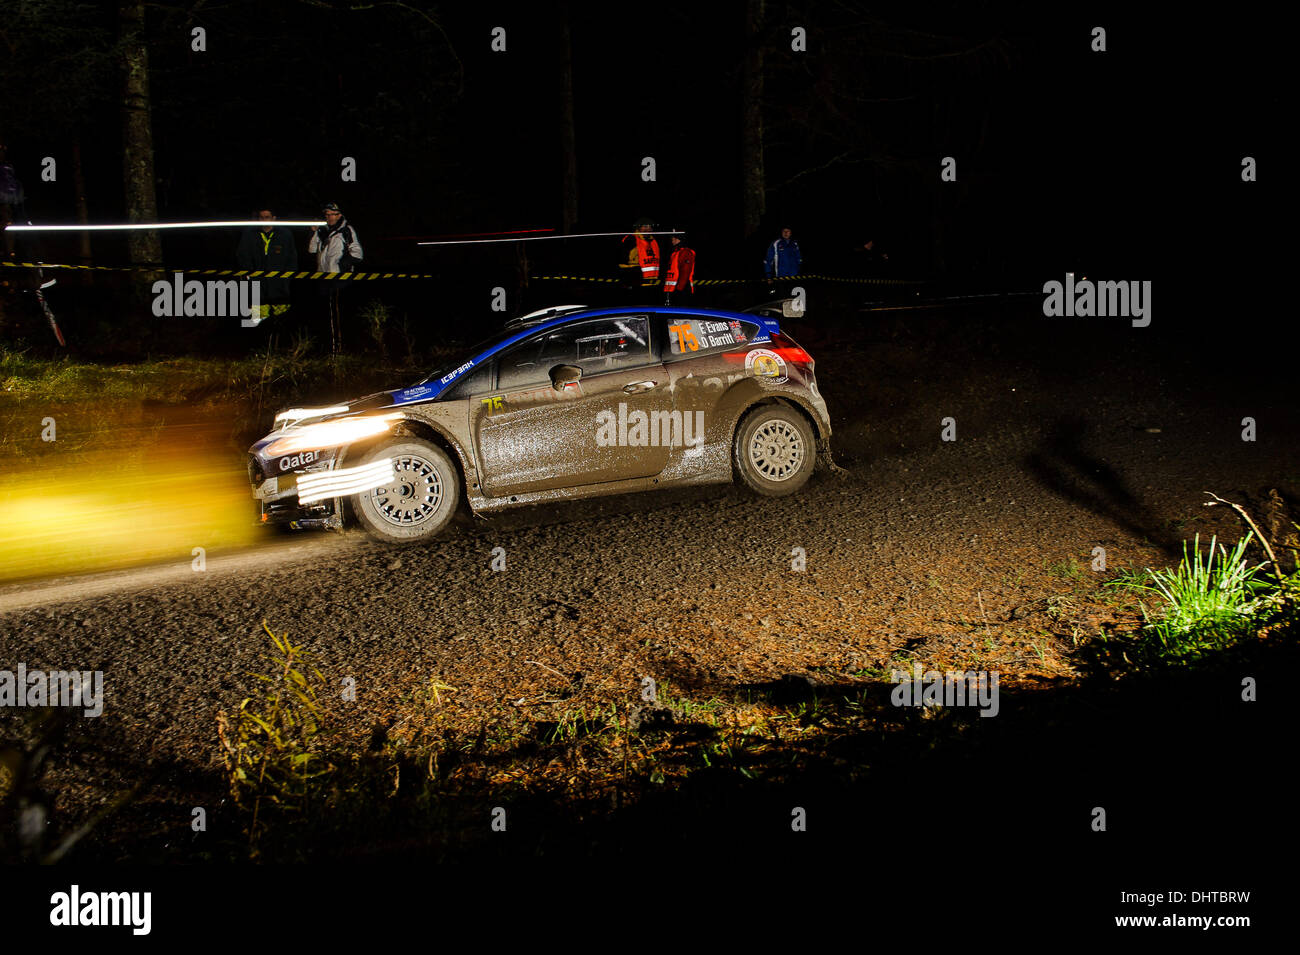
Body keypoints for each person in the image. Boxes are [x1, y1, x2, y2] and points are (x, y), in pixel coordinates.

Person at [308, 201, 363, 354]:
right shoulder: (322, 230)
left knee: (340, 316)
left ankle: (342, 350)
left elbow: (357, 253)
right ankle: (329, 350)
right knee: (326, 316)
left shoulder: (346, 230)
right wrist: (314, 232)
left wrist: (343, 264)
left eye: (333, 214)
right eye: (327, 214)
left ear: (340, 215)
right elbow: (312, 250)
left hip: (341, 280)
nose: (330, 217)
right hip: (323, 278)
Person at [235, 208, 298, 331]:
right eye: (261, 217)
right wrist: (248, 274)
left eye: (267, 217)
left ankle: (280, 344)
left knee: (281, 319)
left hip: (279, 285)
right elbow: (242, 255)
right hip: (257, 285)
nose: (263, 220)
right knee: (257, 320)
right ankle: (260, 345)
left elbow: (292, 257)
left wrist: (288, 277)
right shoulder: (250, 233)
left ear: (274, 218)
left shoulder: (285, 234)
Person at [619, 217, 660, 286]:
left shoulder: (654, 241)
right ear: (638, 228)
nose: (648, 229)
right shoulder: (632, 239)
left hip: (652, 281)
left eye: (650, 227)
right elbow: (622, 259)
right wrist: (631, 274)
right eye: (645, 226)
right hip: (636, 280)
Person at [764, 226, 801, 293]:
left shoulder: (795, 244)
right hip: (780, 276)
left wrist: (798, 272)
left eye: (788, 231)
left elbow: (799, 259)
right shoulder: (776, 243)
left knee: (793, 298)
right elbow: (768, 260)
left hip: (794, 277)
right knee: (782, 298)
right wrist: (769, 276)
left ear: (791, 233)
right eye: (784, 231)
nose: (786, 233)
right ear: (781, 233)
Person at [663, 228, 695, 304]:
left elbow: (685, 272)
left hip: (681, 290)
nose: (672, 240)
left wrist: (679, 289)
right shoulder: (675, 252)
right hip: (672, 289)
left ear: (679, 239)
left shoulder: (685, 252)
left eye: (674, 238)